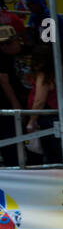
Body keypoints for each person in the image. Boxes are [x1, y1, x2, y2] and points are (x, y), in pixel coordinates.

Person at [0, 25, 23, 167]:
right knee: (9, 140)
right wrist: (15, 104)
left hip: (12, 106)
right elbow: (3, 79)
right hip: (6, 107)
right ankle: (13, 168)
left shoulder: (12, 56)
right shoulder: (2, 58)